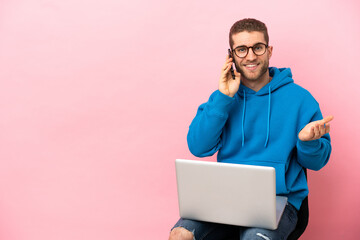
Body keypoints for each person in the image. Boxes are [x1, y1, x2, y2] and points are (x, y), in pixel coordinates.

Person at [169, 18, 333, 240]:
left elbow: (317, 162)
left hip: (279, 200)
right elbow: (198, 147)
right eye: (241, 50)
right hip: (224, 198)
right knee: (180, 235)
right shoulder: (222, 98)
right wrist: (224, 98)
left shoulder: (301, 100)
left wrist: (308, 142)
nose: (250, 56)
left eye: (257, 47)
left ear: (269, 50)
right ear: (231, 56)